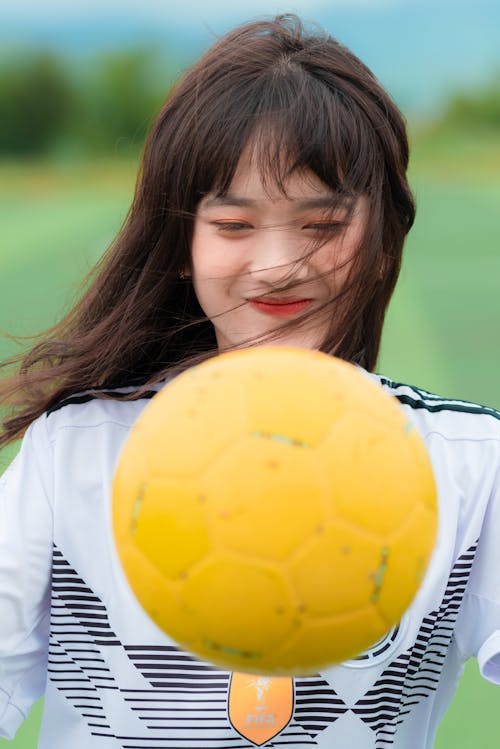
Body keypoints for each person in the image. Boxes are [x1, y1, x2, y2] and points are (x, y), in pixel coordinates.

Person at [0, 14, 498, 749]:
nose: (276, 264)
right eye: (233, 225)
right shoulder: (73, 450)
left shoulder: (469, 460)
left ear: (383, 238)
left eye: (322, 223)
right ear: (181, 243)